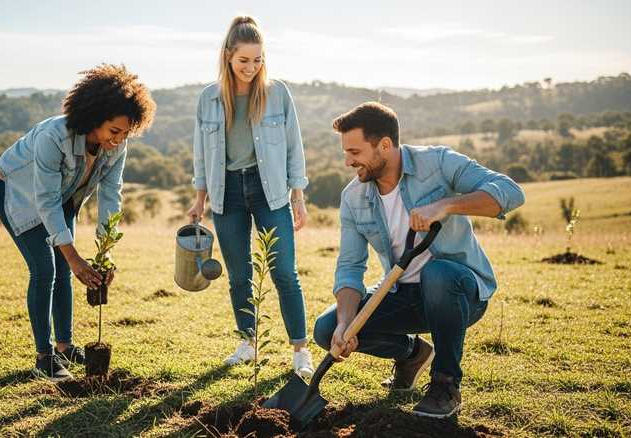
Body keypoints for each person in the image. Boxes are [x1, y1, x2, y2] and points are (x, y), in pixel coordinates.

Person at [313, 102, 525, 418]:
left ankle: (445, 385)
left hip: (458, 292)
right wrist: (345, 322)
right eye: (346, 152)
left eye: (355, 152)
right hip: (403, 295)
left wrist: (446, 206)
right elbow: (349, 267)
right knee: (326, 328)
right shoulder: (353, 197)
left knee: (437, 274)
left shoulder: (438, 163)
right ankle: (412, 354)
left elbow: (510, 192)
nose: (347, 161)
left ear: (385, 145)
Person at [0, 64, 155, 381]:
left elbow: (111, 195)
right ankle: (45, 358)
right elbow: (45, 200)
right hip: (16, 190)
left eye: (126, 133)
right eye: (114, 131)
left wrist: (105, 254)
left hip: (64, 194)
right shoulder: (54, 137)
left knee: (65, 269)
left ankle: (65, 347)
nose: (119, 140)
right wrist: (74, 256)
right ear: (94, 118)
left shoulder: (117, 146)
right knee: (46, 269)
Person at [187, 16, 314, 378]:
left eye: (258, 60)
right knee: (239, 276)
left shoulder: (278, 94)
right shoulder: (208, 99)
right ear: (228, 55)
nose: (251, 67)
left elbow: (293, 147)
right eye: (243, 60)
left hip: (269, 191)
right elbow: (200, 155)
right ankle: (248, 343)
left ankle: (300, 350)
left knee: (284, 272)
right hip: (226, 193)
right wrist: (199, 199)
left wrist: (298, 196)